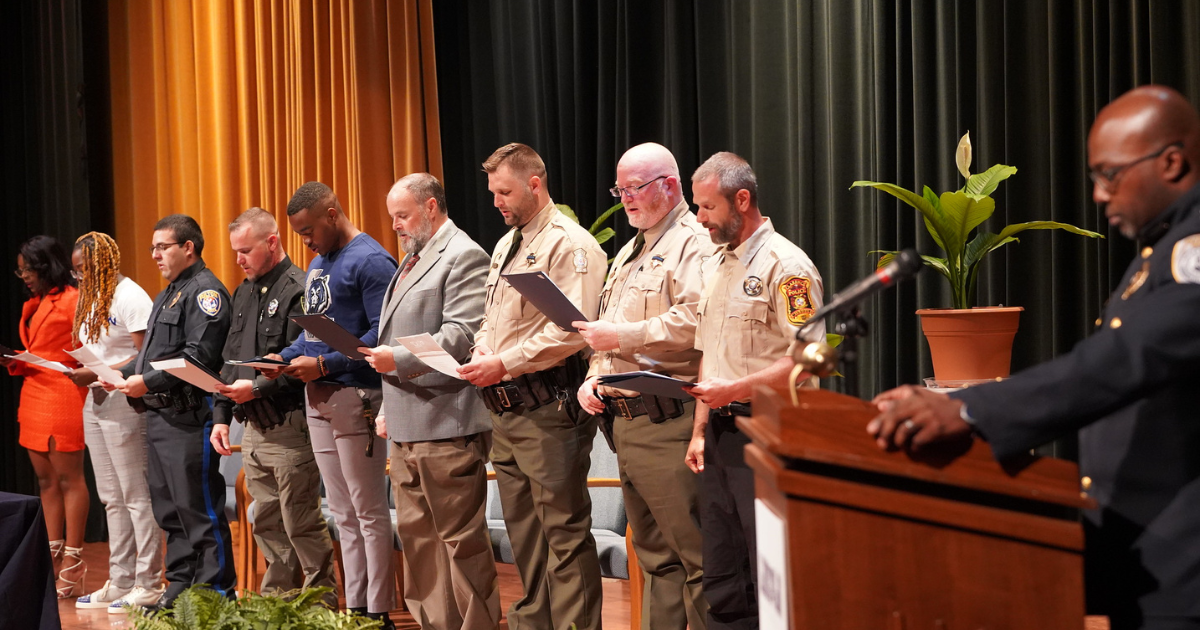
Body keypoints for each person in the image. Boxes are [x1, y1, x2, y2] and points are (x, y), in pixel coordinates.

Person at [867, 86, 1200, 630]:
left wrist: (968, 409)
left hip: (1183, 568)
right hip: (1146, 558)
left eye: (1109, 175)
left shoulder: (1192, 254)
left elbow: (1124, 359)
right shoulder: (1160, 249)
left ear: (1171, 161)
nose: (1098, 194)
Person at [458, 143, 608, 630]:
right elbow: (491, 317)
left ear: (535, 183)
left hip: (548, 407)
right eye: (493, 192)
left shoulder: (571, 244)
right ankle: (535, 621)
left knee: (563, 531)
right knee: (525, 531)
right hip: (505, 409)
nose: (496, 202)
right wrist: (483, 350)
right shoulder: (508, 243)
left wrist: (505, 361)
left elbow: (573, 328)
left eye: (504, 192)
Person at [573, 142, 712, 630]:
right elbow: (606, 329)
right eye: (620, 188)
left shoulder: (694, 242)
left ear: (669, 186)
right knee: (654, 559)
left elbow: (697, 321)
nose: (626, 199)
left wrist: (622, 337)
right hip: (625, 426)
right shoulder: (633, 248)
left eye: (635, 188)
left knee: (695, 559)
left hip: (668, 423)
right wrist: (593, 377)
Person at [687, 152, 825, 630]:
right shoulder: (718, 263)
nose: (699, 219)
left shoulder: (786, 266)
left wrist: (735, 390)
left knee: (771, 572)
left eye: (706, 208)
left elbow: (809, 360)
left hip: (768, 433)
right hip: (722, 436)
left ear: (741, 200)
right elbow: (710, 349)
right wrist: (699, 429)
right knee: (723, 573)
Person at [362, 173, 500, 630]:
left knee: (461, 542)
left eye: (402, 216)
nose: (396, 226)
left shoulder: (463, 255)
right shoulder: (409, 261)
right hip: (404, 425)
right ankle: (433, 624)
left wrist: (395, 359)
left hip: (448, 425)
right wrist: (386, 405)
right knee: (419, 542)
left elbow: (460, 336)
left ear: (431, 208)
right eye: (393, 218)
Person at [264, 181, 398, 628]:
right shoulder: (319, 263)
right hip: (318, 398)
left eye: (308, 231)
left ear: (332, 213)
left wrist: (324, 364)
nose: (305, 242)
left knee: (368, 510)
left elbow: (382, 335)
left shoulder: (372, 260)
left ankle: (378, 611)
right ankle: (354, 608)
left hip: (355, 395)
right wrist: (280, 358)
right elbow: (313, 332)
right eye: (299, 235)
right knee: (341, 512)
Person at [209, 208, 336, 605]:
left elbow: (299, 362)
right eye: (235, 251)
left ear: (272, 242)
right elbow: (230, 359)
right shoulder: (243, 291)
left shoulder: (299, 288)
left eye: (245, 250)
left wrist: (259, 389)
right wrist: (220, 417)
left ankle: (320, 609)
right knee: (267, 524)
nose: (238, 260)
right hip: (253, 429)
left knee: (301, 524)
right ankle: (278, 608)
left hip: (289, 424)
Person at [113, 214, 236, 606]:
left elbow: (198, 357)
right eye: (152, 248)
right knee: (170, 511)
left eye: (162, 246)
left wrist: (145, 381)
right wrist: (116, 374)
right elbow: (152, 357)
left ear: (188, 247)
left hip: (190, 417)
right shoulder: (170, 292)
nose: (155, 255)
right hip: (160, 417)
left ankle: (216, 595)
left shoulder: (205, 293)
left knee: (198, 510)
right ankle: (181, 588)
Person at [67, 232, 164, 612]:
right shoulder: (91, 298)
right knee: (111, 498)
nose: (79, 278)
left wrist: (99, 373)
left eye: (84, 270)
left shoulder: (130, 296)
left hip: (125, 401)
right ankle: (120, 580)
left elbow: (146, 356)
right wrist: (83, 370)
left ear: (103, 264)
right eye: (75, 272)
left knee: (136, 496)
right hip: (96, 401)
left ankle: (148, 583)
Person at [2, 235, 89, 598]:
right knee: (45, 482)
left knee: (69, 479)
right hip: (34, 393)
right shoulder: (33, 304)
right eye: (20, 270)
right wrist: (18, 359)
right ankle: (49, 558)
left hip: (63, 395)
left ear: (45, 265)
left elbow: (88, 351)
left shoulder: (72, 301)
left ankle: (73, 561)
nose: (23, 276)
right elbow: (39, 348)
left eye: (28, 269)